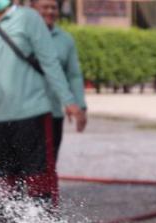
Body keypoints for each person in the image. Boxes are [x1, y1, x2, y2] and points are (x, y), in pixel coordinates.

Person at [0, 0, 81, 208]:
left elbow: (50, 62)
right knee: (5, 188)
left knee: (39, 184)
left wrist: (69, 101)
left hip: (34, 114)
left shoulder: (29, 18)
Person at [32, 0, 87, 182]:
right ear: (33, 9)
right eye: (44, 7)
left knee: (47, 167)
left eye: (53, 7)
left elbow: (74, 75)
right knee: (19, 168)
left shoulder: (65, 40)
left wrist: (80, 106)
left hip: (52, 113)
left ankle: (44, 199)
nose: (50, 11)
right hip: (21, 114)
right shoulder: (20, 37)